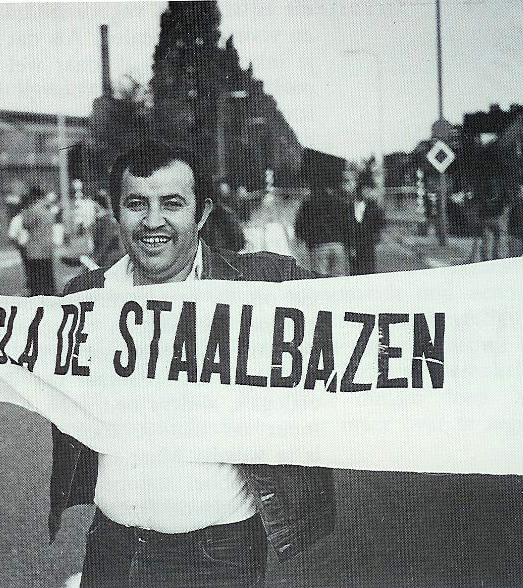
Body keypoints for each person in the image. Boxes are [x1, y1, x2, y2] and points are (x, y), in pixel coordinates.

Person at [53, 140, 335, 588]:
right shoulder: (84, 298)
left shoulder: (263, 285)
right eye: (136, 204)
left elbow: (368, 318)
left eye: (172, 203)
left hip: (219, 555)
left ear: (201, 214)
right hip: (113, 549)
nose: (153, 221)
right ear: (115, 213)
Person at [294, 186, 353, 277]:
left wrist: (306, 241)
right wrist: (348, 244)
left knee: (320, 280)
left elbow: (300, 225)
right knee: (339, 280)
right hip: (338, 245)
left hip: (319, 246)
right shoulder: (340, 202)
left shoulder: (308, 203)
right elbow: (348, 225)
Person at [20, 186, 57, 296]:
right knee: (48, 281)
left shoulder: (33, 210)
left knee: (36, 284)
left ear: (33, 197)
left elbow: (25, 224)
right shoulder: (48, 211)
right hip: (47, 250)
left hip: (35, 251)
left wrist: (25, 209)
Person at [348, 184, 386, 275]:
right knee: (354, 271)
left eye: (368, 191)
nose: (368, 193)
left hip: (368, 244)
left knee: (369, 271)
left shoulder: (373, 207)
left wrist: (375, 235)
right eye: (365, 190)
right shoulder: (349, 206)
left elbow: (382, 223)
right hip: (354, 244)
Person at [89, 189, 123, 267]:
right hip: (103, 257)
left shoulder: (107, 221)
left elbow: (106, 243)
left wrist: (96, 259)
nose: (93, 207)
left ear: (98, 205)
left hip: (108, 259)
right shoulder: (101, 220)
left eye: (95, 204)